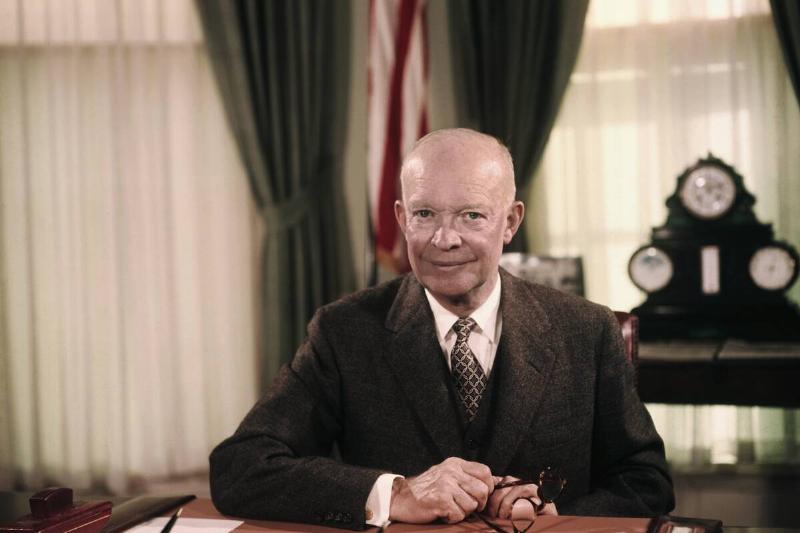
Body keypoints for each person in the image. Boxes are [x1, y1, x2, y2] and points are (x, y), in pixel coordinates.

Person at [209, 128, 675, 529]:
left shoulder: (586, 329)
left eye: (471, 215)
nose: (444, 239)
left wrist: (555, 513)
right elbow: (240, 468)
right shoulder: (344, 330)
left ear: (510, 221)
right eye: (425, 214)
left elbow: (645, 481)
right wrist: (395, 494)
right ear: (401, 219)